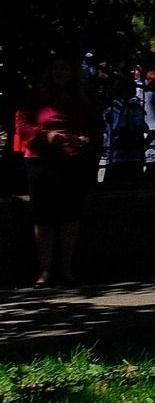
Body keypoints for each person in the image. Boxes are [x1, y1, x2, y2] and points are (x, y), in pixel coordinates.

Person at [15, 58, 100, 286]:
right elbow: (22, 125)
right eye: (56, 67)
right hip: (41, 159)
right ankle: (45, 270)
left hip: (73, 158)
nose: (61, 71)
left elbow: (96, 126)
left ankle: (66, 269)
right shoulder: (36, 96)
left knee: (69, 214)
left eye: (65, 67)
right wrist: (45, 136)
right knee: (44, 214)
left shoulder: (82, 97)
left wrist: (85, 140)